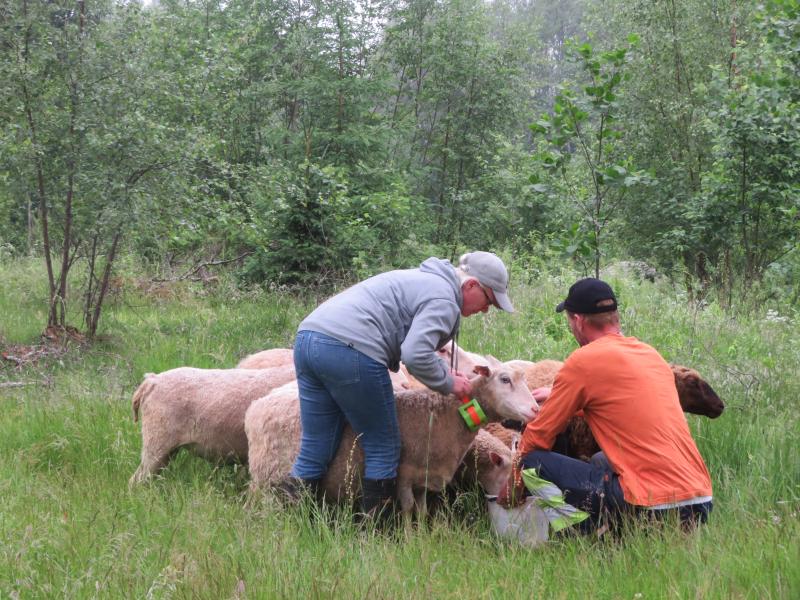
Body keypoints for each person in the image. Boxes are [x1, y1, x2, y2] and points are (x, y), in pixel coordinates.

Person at [281, 251, 515, 519]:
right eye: (488, 300)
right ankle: (378, 531)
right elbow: (415, 354)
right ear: (471, 285)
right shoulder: (444, 299)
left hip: (309, 339)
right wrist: (449, 383)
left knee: (317, 441)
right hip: (352, 350)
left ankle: (291, 520)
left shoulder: (422, 280)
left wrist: (444, 374)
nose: (485, 310)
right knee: (384, 445)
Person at [498, 278, 713, 532]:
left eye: (569, 321)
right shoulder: (650, 355)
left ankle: (581, 534)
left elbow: (538, 436)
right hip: (699, 501)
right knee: (601, 459)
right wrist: (560, 396)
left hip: (649, 503)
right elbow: (622, 405)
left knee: (531, 462)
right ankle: (621, 531)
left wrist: (512, 483)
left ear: (578, 321)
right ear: (614, 318)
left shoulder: (583, 361)